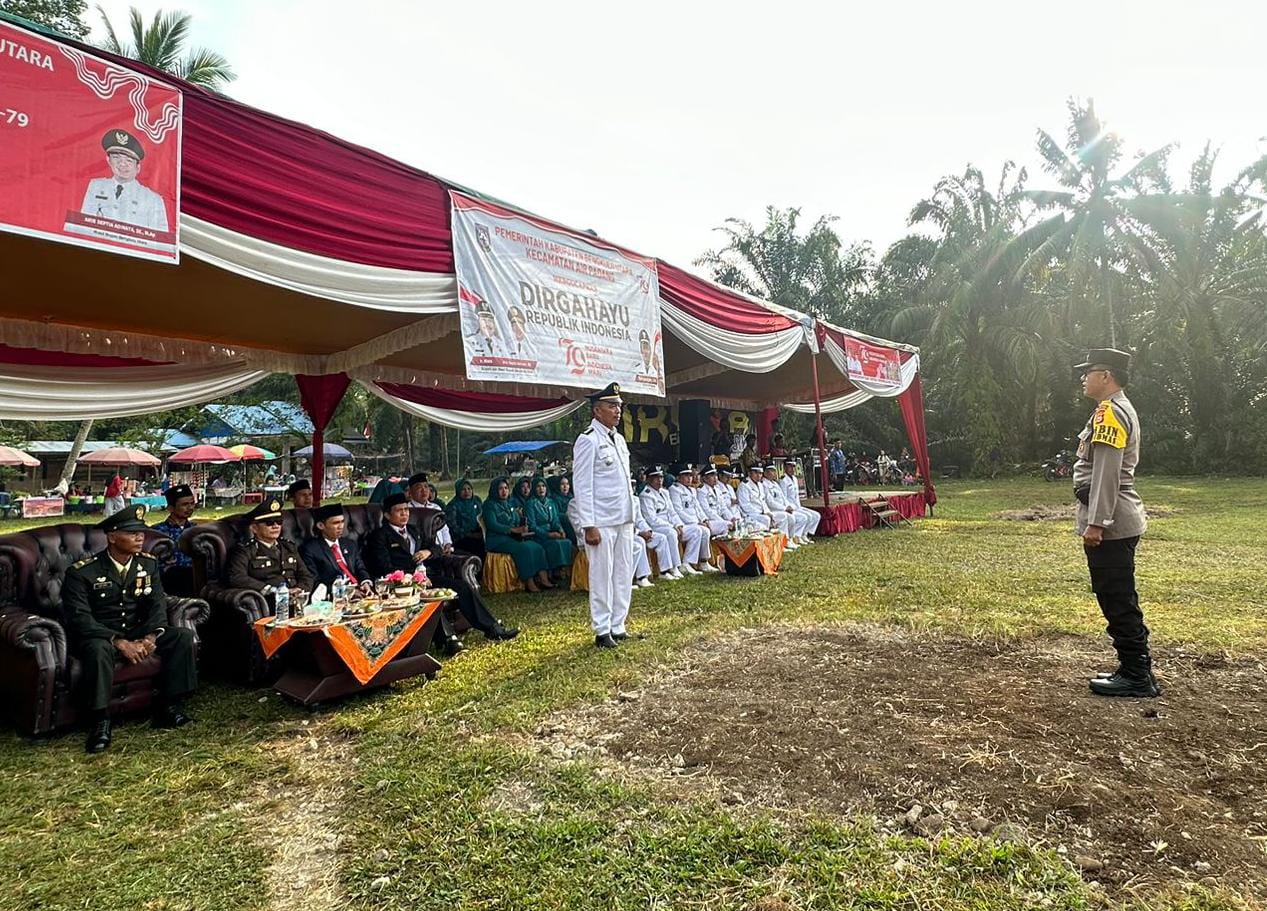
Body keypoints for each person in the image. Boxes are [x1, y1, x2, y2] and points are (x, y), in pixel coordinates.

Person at [62, 505, 196, 753]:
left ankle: (169, 706)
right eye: (132, 533)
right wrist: (118, 641)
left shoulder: (148, 565)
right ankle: (101, 721)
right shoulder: (82, 572)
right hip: (101, 634)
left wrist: (153, 634)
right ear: (112, 536)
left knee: (182, 637)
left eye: (141, 533)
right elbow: (79, 617)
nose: (140, 538)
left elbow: (157, 603)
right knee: (98, 650)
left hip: (138, 629)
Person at [1071, 348, 1157, 698]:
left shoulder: (1110, 412)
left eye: (1088, 371)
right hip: (1116, 518)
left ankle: (1137, 675)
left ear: (1106, 376)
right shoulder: (1115, 408)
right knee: (1116, 593)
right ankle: (1133, 667)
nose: (1083, 377)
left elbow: (1106, 472)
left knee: (1117, 595)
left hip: (1112, 521)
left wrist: (1097, 523)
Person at [365, 493, 517, 647]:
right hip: (403, 585)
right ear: (387, 515)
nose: (404, 514)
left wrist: (428, 552)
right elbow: (384, 567)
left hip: (428, 576)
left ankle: (492, 628)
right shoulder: (380, 536)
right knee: (430, 599)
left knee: (462, 587)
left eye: (406, 510)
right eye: (399, 511)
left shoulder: (413, 530)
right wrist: (413, 579)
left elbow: (436, 547)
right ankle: (447, 640)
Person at [572, 383, 637, 648]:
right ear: (597, 411)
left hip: (623, 517)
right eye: (612, 406)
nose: (617, 410)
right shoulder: (588, 440)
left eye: (619, 405)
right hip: (601, 520)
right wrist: (588, 524)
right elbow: (582, 485)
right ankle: (602, 629)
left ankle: (618, 624)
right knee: (601, 575)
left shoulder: (618, 439)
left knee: (623, 573)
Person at [79, 129, 169, 231]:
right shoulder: (96, 186)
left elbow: (160, 239)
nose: (122, 164)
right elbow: (84, 225)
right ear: (108, 160)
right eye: (116, 158)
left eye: (129, 160)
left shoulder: (153, 199)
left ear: (138, 167)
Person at [225, 498, 314, 600]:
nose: (275, 526)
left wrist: (300, 589)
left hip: (297, 600)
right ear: (254, 528)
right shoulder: (245, 550)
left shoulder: (288, 547)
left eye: (279, 522)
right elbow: (236, 577)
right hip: (270, 601)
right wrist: (271, 590)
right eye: (269, 522)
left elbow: (306, 575)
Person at [484, 477, 554, 592]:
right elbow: (492, 524)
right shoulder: (489, 505)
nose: (504, 491)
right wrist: (512, 530)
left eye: (506, 488)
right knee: (524, 549)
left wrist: (522, 526)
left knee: (537, 547)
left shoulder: (509, 503)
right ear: (494, 490)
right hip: (498, 540)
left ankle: (544, 579)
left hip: (513, 538)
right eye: (500, 488)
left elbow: (516, 519)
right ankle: (529, 582)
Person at [639, 466, 706, 576]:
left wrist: (678, 524)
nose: (659, 480)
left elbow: (672, 512)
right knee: (671, 533)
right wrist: (672, 526)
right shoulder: (646, 495)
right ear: (649, 479)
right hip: (656, 526)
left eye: (661, 477)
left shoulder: (664, 492)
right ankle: (674, 567)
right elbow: (651, 519)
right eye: (656, 478)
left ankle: (687, 563)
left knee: (696, 531)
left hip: (670, 525)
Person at [300, 503, 373, 593]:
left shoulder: (350, 544)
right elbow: (315, 581)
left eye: (342, 521)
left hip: (361, 591)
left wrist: (365, 582)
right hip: (336, 595)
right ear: (320, 526)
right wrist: (346, 591)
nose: (341, 527)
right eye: (336, 523)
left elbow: (360, 568)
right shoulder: (311, 549)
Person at [668, 465, 719, 573]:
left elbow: (698, 508)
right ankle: (686, 562)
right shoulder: (674, 489)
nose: (689, 478)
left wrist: (703, 519)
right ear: (678, 477)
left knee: (705, 530)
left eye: (690, 475)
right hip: (683, 523)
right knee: (698, 530)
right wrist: (696, 522)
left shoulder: (692, 490)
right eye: (686, 475)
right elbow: (678, 510)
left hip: (693, 522)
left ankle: (703, 561)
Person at [524, 476, 574, 581]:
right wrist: (548, 535)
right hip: (538, 536)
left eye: (543, 486)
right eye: (538, 486)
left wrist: (560, 530)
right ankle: (551, 572)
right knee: (555, 544)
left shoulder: (550, 502)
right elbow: (532, 525)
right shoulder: (530, 504)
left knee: (566, 542)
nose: (541, 489)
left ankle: (561, 571)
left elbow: (555, 520)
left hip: (552, 532)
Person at [151, 484, 197, 595]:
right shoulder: (157, 531)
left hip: (196, 578)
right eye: (185, 505)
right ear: (170, 508)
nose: (190, 508)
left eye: (192, 503)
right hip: (170, 581)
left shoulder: (196, 529)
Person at [406, 472, 454, 552]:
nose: (423, 490)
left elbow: (444, 529)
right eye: (419, 488)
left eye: (426, 486)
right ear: (410, 493)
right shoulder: (408, 510)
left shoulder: (436, 507)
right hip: (424, 552)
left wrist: (447, 543)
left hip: (442, 550)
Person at [780, 461, 820, 544]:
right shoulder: (783, 480)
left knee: (816, 515)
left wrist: (799, 506)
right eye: (790, 467)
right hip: (789, 507)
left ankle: (804, 534)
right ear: (785, 468)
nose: (792, 469)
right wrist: (788, 507)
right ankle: (796, 536)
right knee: (804, 517)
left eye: (793, 467)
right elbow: (783, 497)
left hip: (797, 505)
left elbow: (796, 495)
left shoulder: (794, 478)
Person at [444, 478, 486, 557]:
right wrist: (469, 534)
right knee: (478, 546)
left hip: (478, 533)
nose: (467, 492)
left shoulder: (476, 501)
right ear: (458, 491)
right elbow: (453, 527)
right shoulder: (453, 505)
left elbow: (482, 518)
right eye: (463, 489)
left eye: (469, 489)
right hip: (460, 538)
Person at [761, 463, 799, 548]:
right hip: (773, 509)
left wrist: (788, 506)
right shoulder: (764, 484)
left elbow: (783, 498)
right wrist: (784, 508)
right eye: (772, 471)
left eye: (775, 471)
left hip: (782, 508)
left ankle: (789, 539)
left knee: (792, 518)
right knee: (784, 517)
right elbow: (770, 502)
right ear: (765, 473)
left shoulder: (775, 484)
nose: (774, 473)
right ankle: (782, 543)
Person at [696, 465, 738, 536]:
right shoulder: (701, 491)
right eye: (712, 476)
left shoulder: (717, 490)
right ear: (705, 478)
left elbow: (723, 508)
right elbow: (707, 510)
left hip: (720, 520)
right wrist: (722, 521)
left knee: (736, 523)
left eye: (715, 475)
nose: (715, 478)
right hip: (710, 521)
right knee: (728, 525)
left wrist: (731, 518)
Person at [737, 464, 773, 531]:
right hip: (749, 514)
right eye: (756, 472)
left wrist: (767, 511)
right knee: (766, 519)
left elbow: (763, 501)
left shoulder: (760, 484)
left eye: (760, 473)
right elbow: (745, 505)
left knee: (774, 517)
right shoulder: (744, 485)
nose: (758, 475)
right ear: (750, 473)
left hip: (761, 513)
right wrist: (761, 512)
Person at [547, 475, 576, 544]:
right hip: (564, 524)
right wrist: (567, 515)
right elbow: (555, 514)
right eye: (562, 484)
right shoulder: (553, 499)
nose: (565, 486)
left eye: (567, 484)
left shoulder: (572, 497)